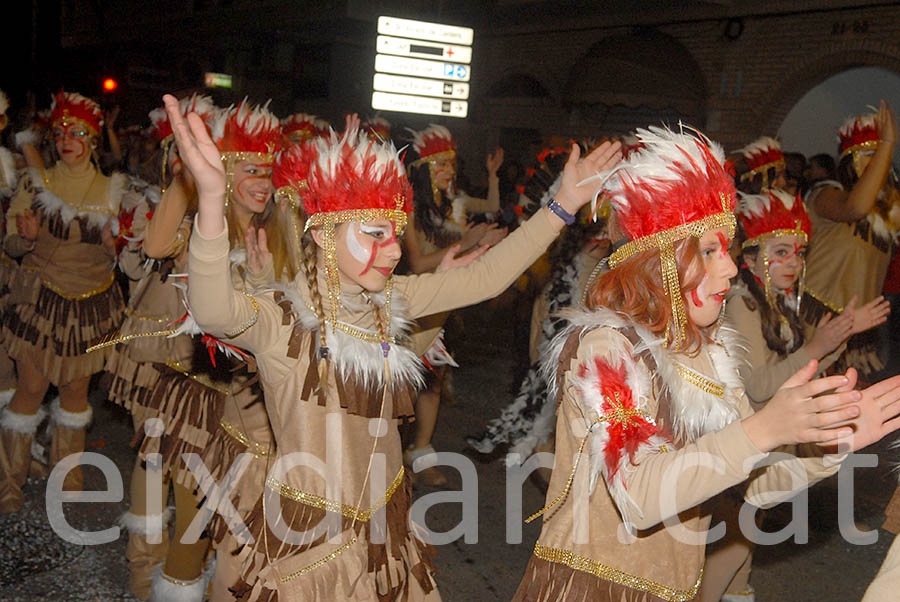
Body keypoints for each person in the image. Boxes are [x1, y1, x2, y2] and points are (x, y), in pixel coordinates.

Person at [165, 93, 621, 601]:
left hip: (385, 526)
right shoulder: (284, 318)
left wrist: (561, 206)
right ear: (322, 234)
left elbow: (488, 277)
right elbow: (212, 310)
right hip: (310, 540)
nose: (391, 250)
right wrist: (208, 197)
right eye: (375, 233)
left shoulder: (393, 300)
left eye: (395, 235)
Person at [511, 125, 900, 602]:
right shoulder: (607, 349)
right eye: (710, 251)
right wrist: (763, 429)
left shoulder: (709, 351)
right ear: (660, 261)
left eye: (729, 250)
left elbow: (751, 486)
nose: (732, 268)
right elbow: (639, 495)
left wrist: (826, 445)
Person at [699, 188, 889, 602]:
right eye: (781, 252)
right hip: (743, 443)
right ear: (749, 259)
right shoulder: (740, 306)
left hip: (767, 442)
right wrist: (818, 347)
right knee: (729, 548)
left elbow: (798, 370)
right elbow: (760, 386)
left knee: (742, 546)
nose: (794, 263)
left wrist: (839, 335)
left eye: (799, 253)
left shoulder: (775, 303)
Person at [0, 91, 126, 512]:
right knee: (31, 390)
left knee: (75, 395)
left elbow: (128, 258)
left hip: (91, 311)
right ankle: (8, 482)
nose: (67, 139)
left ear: (92, 140)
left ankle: (68, 476)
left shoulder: (114, 189)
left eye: (78, 132)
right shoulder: (37, 182)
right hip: (41, 307)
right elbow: (13, 245)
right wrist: (27, 238)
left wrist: (117, 247)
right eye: (60, 132)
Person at [402, 124, 507, 486]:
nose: (448, 172)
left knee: (431, 384)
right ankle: (385, 452)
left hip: (441, 312)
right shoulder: (409, 210)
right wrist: (464, 241)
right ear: (422, 171)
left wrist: (493, 176)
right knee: (397, 387)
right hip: (409, 309)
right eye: (440, 165)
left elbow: (492, 207)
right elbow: (416, 265)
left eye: (451, 164)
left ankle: (419, 452)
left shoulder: (455, 202)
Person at [802, 102, 899, 378]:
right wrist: (888, 142)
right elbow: (854, 208)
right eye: (869, 155)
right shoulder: (826, 194)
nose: (878, 162)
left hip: (861, 332)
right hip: (818, 324)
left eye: (881, 157)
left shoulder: (888, 216)